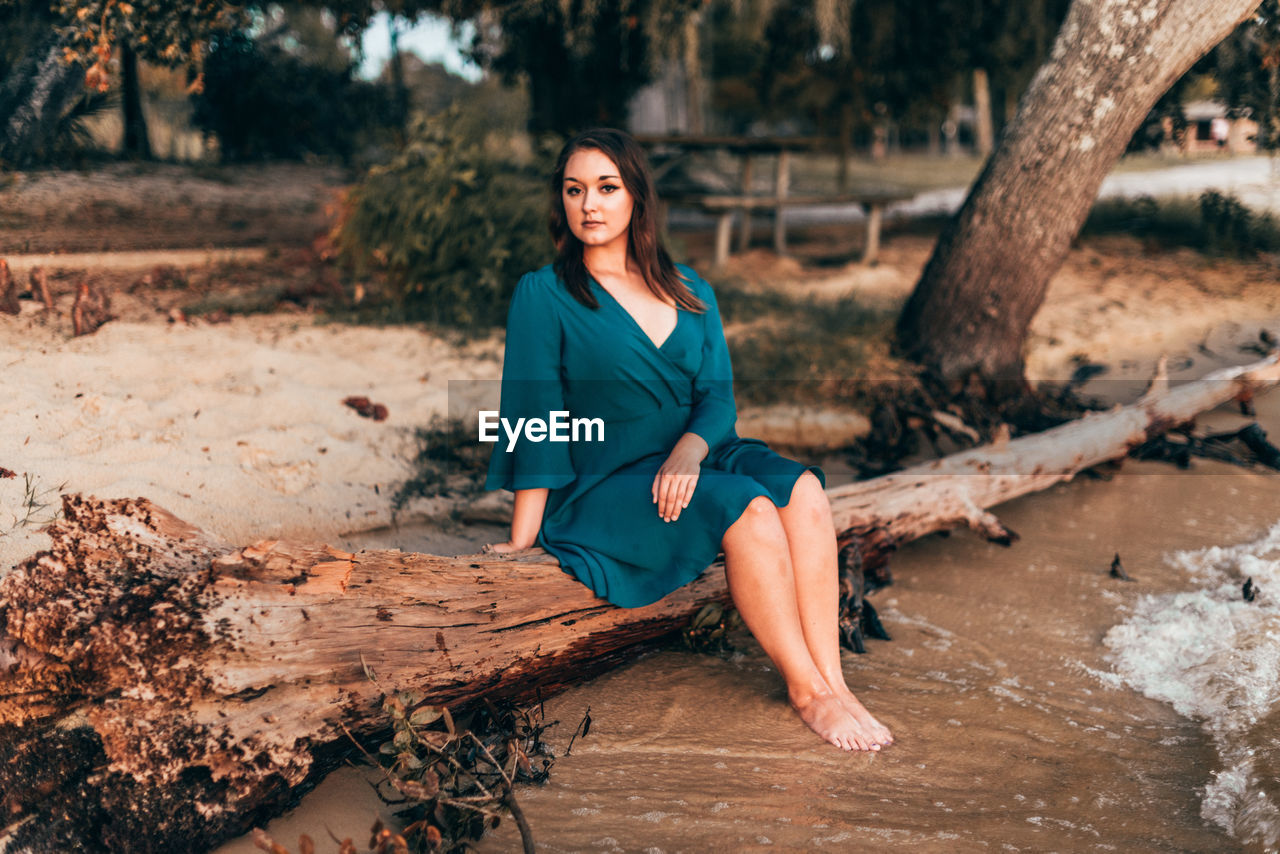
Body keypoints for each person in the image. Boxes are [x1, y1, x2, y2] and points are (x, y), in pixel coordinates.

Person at [483, 128, 893, 752]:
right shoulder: (545, 294)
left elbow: (718, 399)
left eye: (606, 188)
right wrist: (522, 541)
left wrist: (691, 449)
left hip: (700, 452)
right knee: (750, 510)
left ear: (636, 199)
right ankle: (806, 692)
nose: (589, 204)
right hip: (609, 477)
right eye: (574, 190)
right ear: (560, 203)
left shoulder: (690, 287)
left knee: (805, 490)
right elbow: (533, 415)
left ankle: (835, 682)